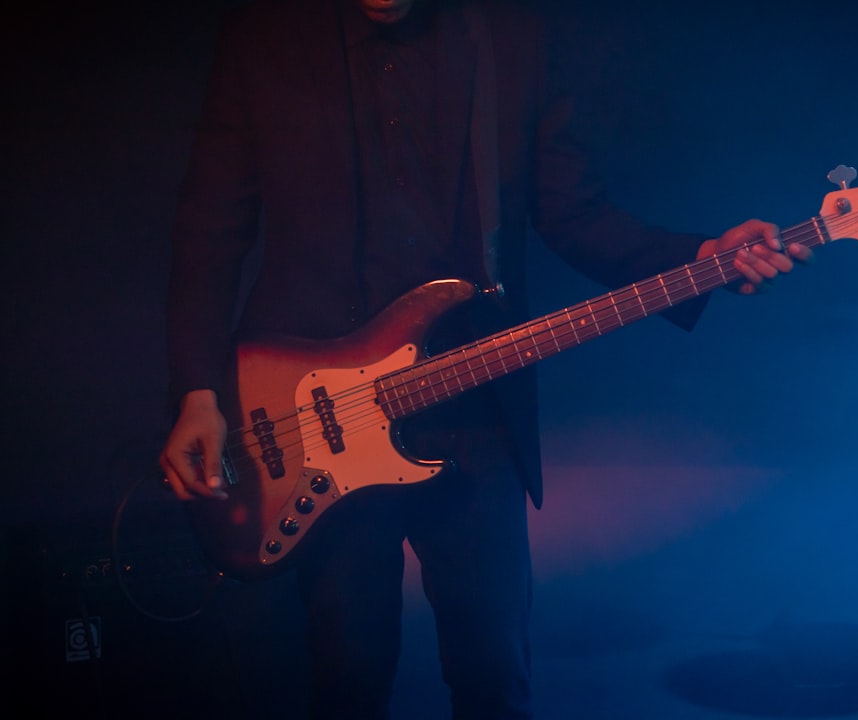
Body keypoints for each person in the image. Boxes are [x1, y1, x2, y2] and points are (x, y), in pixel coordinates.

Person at [158, 0, 812, 717]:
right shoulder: (267, 35)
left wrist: (697, 257)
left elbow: (572, 213)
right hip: (315, 422)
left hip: (473, 402)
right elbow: (208, 227)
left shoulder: (510, 33)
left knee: (495, 678)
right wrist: (197, 389)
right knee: (347, 680)